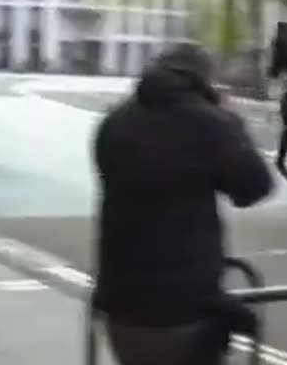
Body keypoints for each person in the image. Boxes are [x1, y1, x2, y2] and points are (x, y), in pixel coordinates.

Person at [92, 43, 274, 365]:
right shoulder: (210, 124)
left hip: (120, 305)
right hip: (184, 309)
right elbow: (254, 187)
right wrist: (230, 121)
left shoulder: (116, 121)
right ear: (204, 80)